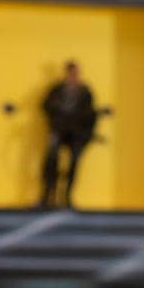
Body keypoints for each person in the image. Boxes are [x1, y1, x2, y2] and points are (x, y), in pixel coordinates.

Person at [40, 60, 98, 209]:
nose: (73, 76)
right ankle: (48, 193)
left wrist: (87, 134)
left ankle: (67, 195)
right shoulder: (58, 89)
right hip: (59, 130)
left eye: (75, 73)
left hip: (76, 133)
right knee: (51, 158)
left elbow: (90, 114)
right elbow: (45, 106)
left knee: (74, 161)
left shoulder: (84, 91)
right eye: (71, 73)